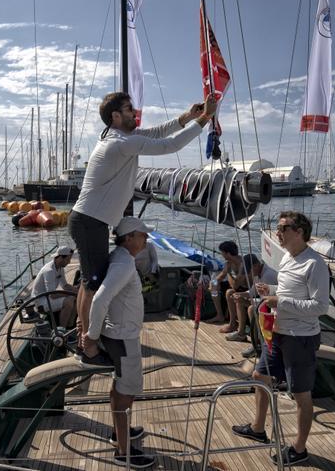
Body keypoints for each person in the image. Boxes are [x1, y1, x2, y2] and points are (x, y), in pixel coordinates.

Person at [71, 92, 218, 362]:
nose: (134, 112)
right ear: (116, 116)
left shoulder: (118, 139)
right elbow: (168, 146)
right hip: (91, 221)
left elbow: (158, 132)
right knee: (91, 285)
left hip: (91, 220)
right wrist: (205, 119)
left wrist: (188, 117)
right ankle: (88, 347)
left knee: (88, 281)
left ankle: (84, 336)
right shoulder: (118, 144)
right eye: (129, 109)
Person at [230, 211, 329, 466]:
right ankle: (258, 428)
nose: (278, 233)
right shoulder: (287, 257)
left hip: (301, 338)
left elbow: (319, 306)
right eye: (278, 228)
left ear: (299, 232)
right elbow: (289, 292)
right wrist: (271, 291)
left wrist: (279, 300)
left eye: (283, 228)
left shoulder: (314, 264)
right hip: (278, 333)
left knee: (300, 394)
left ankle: (299, 448)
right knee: (259, 376)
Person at [84, 216, 155, 468]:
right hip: (124, 339)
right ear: (130, 238)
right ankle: (124, 452)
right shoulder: (124, 265)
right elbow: (100, 300)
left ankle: (119, 433)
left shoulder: (120, 258)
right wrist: (91, 339)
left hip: (119, 336)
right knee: (125, 394)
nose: (146, 238)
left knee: (120, 388)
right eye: (143, 234)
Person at [227, 254, 278, 343]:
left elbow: (265, 301)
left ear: (256, 265)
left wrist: (247, 300)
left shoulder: (268, 276)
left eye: (249, 271)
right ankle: (241, 333)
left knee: (251, 309)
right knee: (238, 300)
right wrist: (241, 294)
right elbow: (253, 291)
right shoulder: (258, 273)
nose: (249, 274)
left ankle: (257, 341)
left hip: (274, 306)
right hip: (265, 302)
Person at [30, 246, 77, 328]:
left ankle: (70, 326)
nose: (69, 262)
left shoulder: (60, 267)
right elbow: (52, 295)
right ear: (61, 258)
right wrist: (70, 293)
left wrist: (77, 291)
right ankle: (62, 331)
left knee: (75, 298)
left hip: (48, 298)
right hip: (41, 302)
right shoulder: (49, 271)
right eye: (68, 259)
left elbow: (65, 285)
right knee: (68, 302)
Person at [208, 241, 243, 332]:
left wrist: (229, 273)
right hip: (233, 285)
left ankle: (232, 324)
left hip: (243, 287)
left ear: (228, 253)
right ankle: (220, 315)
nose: (222, 255)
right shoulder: (228, 263)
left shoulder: (242, 263)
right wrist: (213, 283)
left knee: (229, 292)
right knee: (214, 287)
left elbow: (236, 285)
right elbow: (221, 276)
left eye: (222, 253)